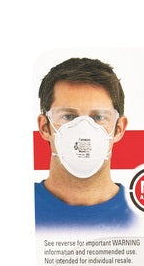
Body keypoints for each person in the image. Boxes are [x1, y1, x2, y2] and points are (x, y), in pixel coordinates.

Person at [35, 57, 134, 227]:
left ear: (118, 129)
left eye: (98, 117)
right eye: (68, 116)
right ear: (45, 127)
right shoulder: (22, 209)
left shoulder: (141, 215)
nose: (83, 129)